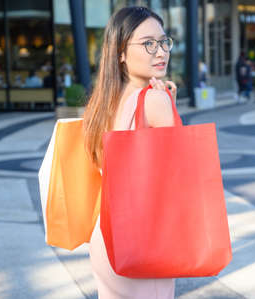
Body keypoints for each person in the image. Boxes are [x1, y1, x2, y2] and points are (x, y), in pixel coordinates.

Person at [82, 7, 177, 299]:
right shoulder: (154, 100)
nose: (160, 51)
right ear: (120, 52)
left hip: (105, 237)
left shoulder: (101, 102)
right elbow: (178, 172)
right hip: (145, 241)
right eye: (147, 43)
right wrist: (168, 104)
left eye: (164, 41)